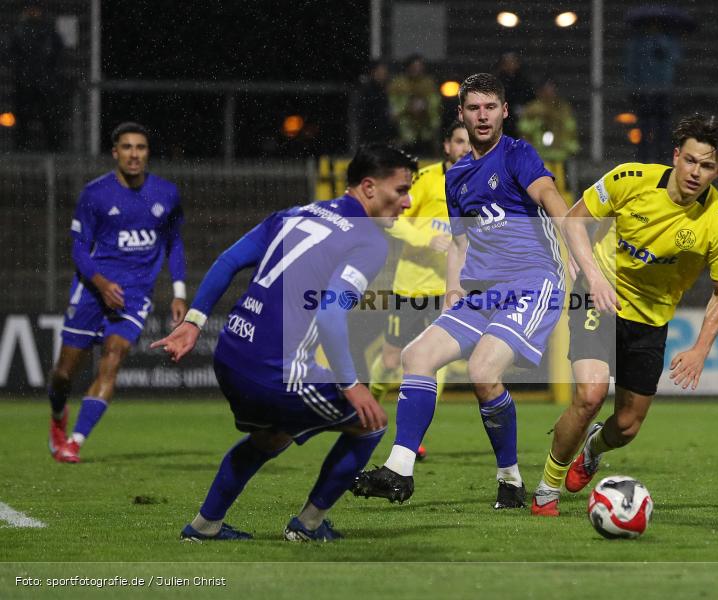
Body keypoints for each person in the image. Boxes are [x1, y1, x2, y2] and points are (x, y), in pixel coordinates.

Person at [151, 144, 416, 542]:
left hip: (230, 355)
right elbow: (329, 315)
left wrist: (194, 321)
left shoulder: (293, 214)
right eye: (400, 190)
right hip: (275, 370)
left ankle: (204, 527)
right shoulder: (369, 240)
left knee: (270, 436)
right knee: (370, 423)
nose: (408, 202)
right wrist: (351, 384)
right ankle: (308, 526)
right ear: (368, 187)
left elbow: (226, 261)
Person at [353, 73, 571, 509]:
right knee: (417, 356)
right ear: (461, 114)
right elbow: (461, 241)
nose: (483, 115)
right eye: (474, 108)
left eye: (491, 106)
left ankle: (509, 477)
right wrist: (453, 291)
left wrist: (586, 264)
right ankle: (399, 470)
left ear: (505, 111)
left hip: (532, 282)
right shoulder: (458, 178)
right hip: (480, 292)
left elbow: (551, 199)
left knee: (483, 371)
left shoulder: (517, 154)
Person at [531, 113, 718, 516]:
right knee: (590, 394)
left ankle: (593, 447)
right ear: (676, 156)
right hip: (598, 295)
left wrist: (700, 349)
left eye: (707, 166)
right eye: (691, 160)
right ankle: (546, 490)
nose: (696, 172)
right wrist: (592, 276)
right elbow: (575, 219)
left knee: (625, 426)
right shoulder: (631, 179)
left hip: (651, 320)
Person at [49, 122, 186, 463]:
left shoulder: (166, 194)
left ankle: (75, 442)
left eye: (140, 147)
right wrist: (101, 283)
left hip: (135, 294)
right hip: (92, 289)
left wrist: (179, 292)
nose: (134, 154)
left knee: (114, 356)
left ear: (147, 152)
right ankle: (58, 416)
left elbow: (175, 243)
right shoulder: (95, 194)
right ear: (115, 153)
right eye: (127, 147)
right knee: (63, 375)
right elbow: (79, 249)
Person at [368, 122, 471, 461]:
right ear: (447, 145)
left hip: (448, 291)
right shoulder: (425, 180)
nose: (464, 148)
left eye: (469, 143)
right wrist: (427, 238)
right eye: (458, 141)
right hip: (411, 286)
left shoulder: (478, 183)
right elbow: (393, 221)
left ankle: (413, 437)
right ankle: (365, 412)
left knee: (435, 364)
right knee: (390, 360)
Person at [10, 3, 65, 151]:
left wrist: (51, 74)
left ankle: (53, 148)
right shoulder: (20, 32)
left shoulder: (48, 32)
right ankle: (21, 148)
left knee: (49, 117)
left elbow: (58, 54)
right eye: (30, 10)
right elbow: (10, 53)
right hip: (26, 81)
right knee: (23, 117)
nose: (33, 13)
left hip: (44, 81)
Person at [625, 21, 682, 163]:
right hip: (644, 92)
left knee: (663, 129)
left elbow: (676, 59)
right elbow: (632, 66)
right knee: (644, 128)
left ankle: (663, 160)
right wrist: (633, 87)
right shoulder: (638, 43)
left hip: (663, 91)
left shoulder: (669, 41)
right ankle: (643, 161)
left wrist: (661, 44)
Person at [388, 54, 442, 156]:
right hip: (403, 132)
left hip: (425, 132)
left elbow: (435, 106)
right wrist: (407, 108)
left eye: (419, 67)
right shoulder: (398, 84)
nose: (417, 70)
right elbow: (393, 107)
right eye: (414, 67)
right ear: (408, 67)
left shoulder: (428, 84)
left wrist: (425, 109)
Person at [518, 77, 580, 163]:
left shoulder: (563, 108)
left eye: (552, 90)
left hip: (560, 156)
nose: (550, 93)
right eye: (546, 90)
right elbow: (524, 130)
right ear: (539, 92)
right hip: (539, 156)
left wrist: (571, 147)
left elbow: (570, 128)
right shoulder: (532, 109)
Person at [493, 52, 535, 139]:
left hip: (522, 123)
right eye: (507, 62)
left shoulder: (524, 82)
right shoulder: (497, 82)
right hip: (504, 122)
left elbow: (531, 99)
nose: (510, 65)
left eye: (513, 62)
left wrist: (524, 108)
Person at [357, 60, 399, 145]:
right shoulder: (368, 91)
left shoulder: (386, 90)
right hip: (372, 135)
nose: (382, 75)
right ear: (373, 73)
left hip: (384, 135)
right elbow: (366, 115)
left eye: (384, 73)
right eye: (379, 72)